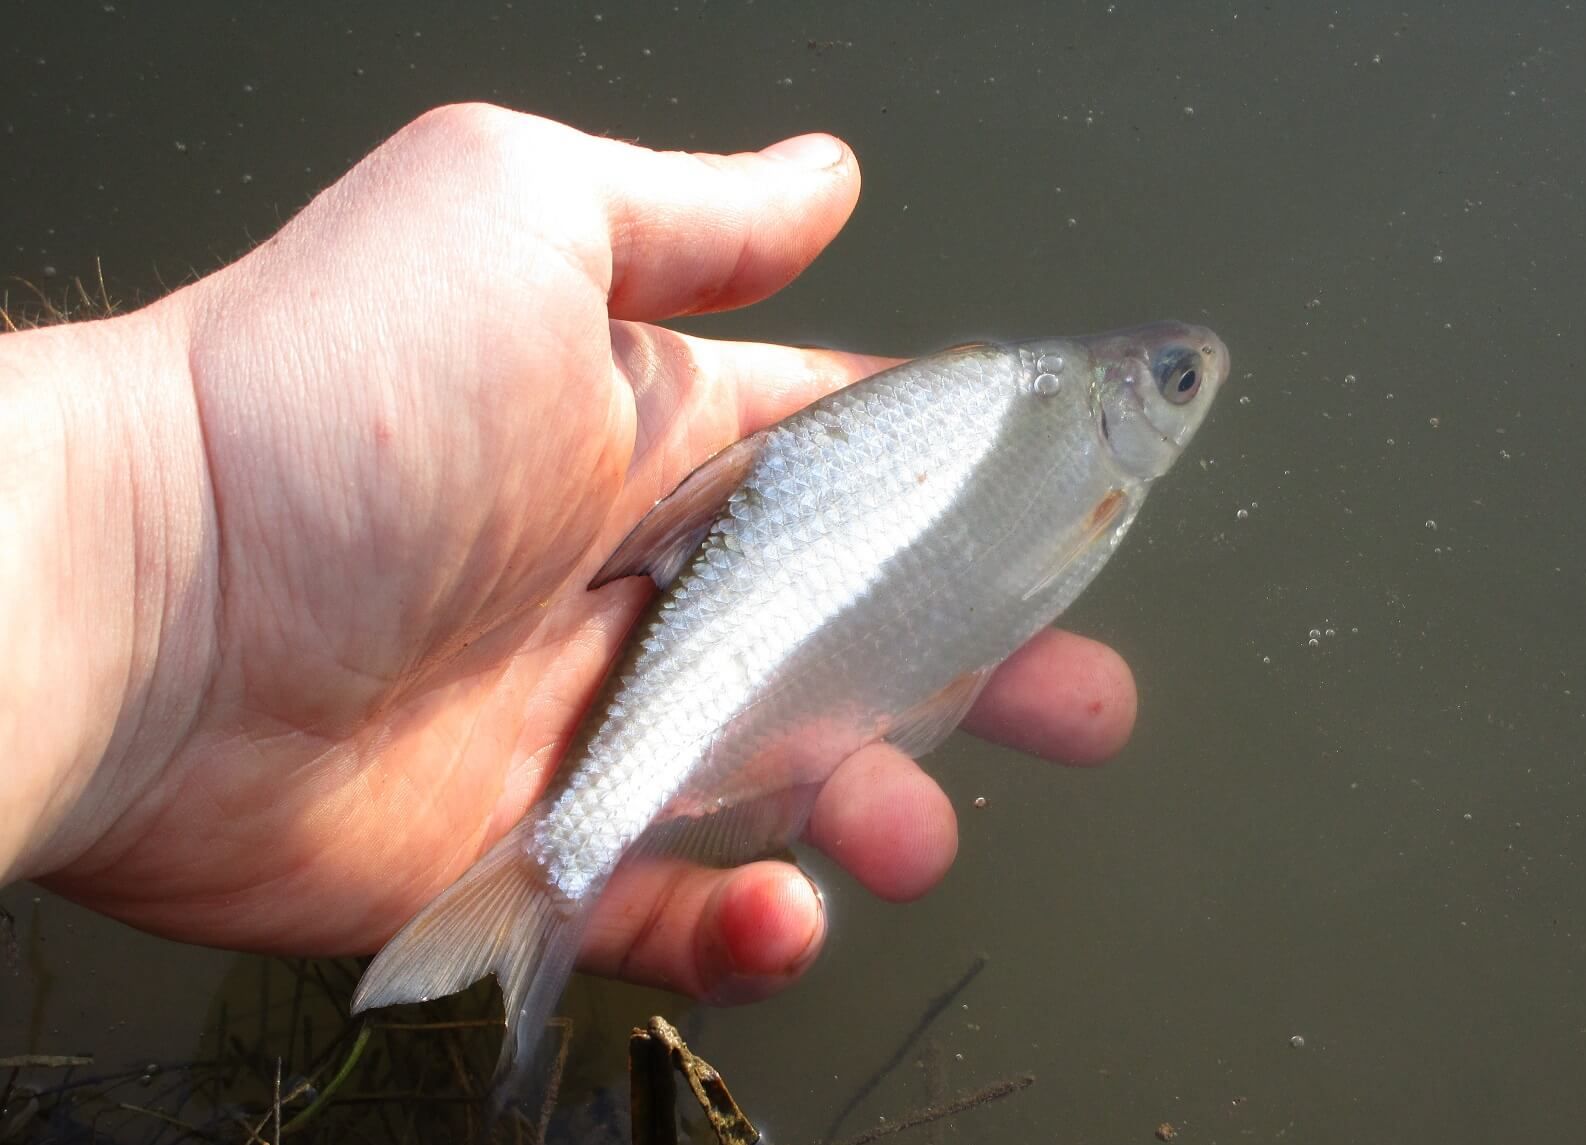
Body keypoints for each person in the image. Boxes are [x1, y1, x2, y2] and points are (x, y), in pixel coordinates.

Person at [0, 104, 1137, 1004]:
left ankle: (545, 897)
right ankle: (550, 881)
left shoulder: (1048, 432)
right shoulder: (1070, 444)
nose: (1184, 393)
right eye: (1173, 384)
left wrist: (148, 521)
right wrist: (185, 491)